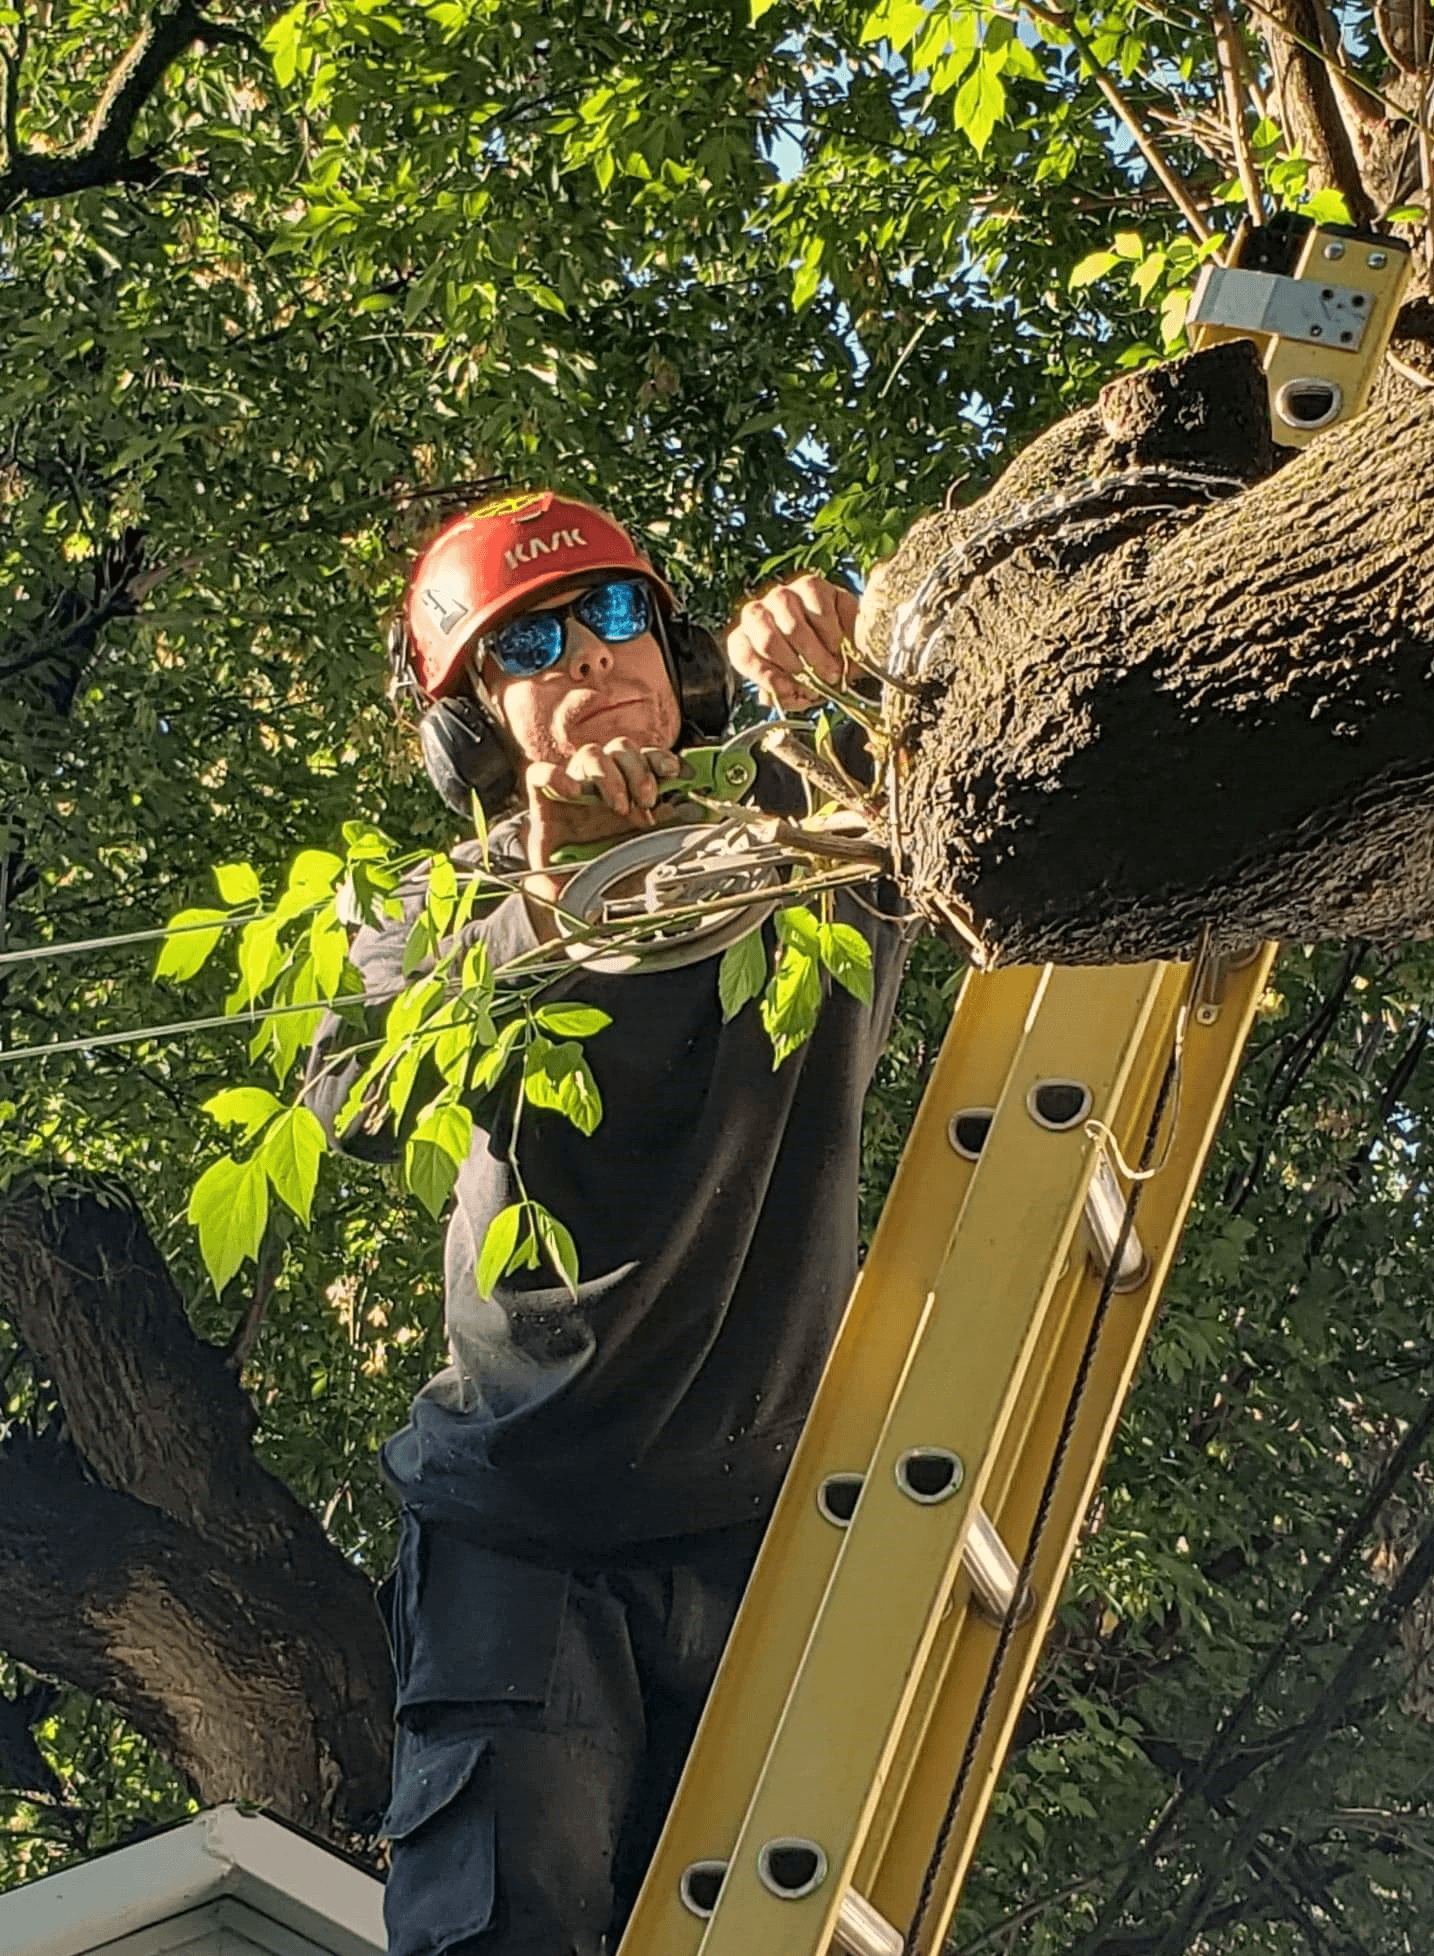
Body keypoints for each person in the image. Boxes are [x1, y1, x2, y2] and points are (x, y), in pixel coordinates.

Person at [309, 488, 912, 1956]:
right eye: (529, 644)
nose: (589, 653)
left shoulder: (815, 822)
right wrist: (551, 901)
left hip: (776, 1520)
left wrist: (862, 664)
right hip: (526, 1532)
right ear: (473, 733)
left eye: (617, 612)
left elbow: (986, 760)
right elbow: (352, 1090)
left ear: (682, 650)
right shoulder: (429, 915)